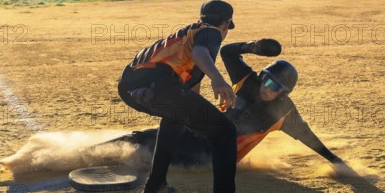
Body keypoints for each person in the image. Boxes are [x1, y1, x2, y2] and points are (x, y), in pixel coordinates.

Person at [117, 0, 261, 193]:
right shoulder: (210, 33)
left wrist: (199, 116)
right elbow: (200, 53)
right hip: (156, 87)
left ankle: (155, 186)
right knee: (225, 132)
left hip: (134, 87)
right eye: (227, 27)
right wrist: (218, 79)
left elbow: (187, 89)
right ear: (226, 24)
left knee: (175, 119)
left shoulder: (188, 33)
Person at [112, 38, 344, 170]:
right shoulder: (248, 81)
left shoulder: (283, 112)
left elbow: (311, 140)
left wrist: (338, 164)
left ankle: (111, 160)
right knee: (141, 137)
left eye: (275, 87)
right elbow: (227, 52)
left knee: (153, 151)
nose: (266, 87)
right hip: (197, 131)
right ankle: (83, 155)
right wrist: (252, 46)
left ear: (283, 94)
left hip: (212, 156)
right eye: (267, 79)